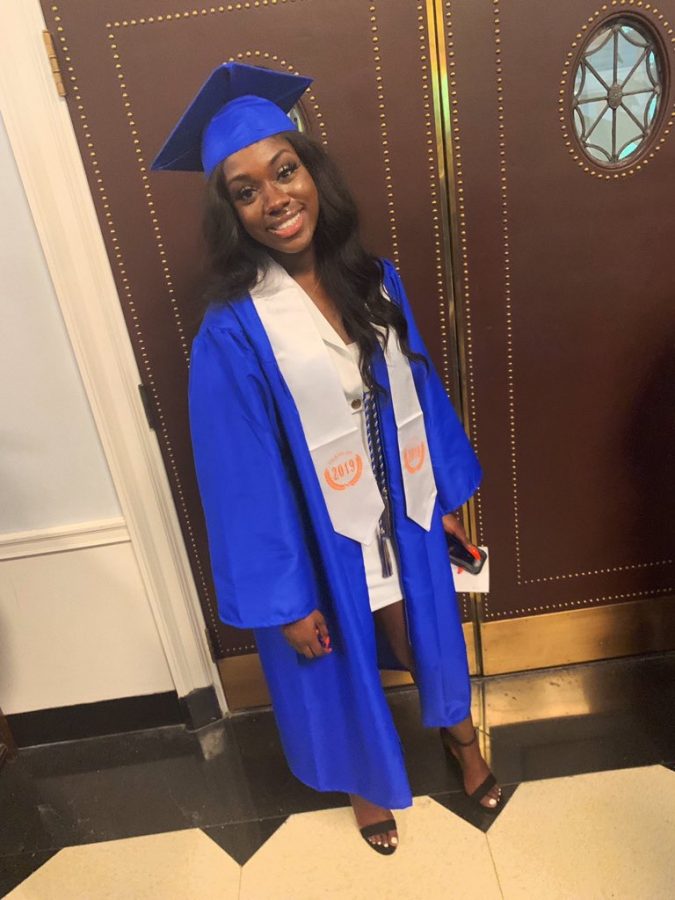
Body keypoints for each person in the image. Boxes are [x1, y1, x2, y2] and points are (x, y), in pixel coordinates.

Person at [152, 62, 502, 855]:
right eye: (246, 190)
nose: (275, 199)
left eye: (284, 171)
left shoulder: (376, 281)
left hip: (401, 511)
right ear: (231, 213)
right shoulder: (233, 330)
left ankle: (460, 742)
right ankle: (365, 785)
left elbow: (418, 385)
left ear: (311, 172)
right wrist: (285, 599)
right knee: (334, 656)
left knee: (427, 635)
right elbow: (238, 479)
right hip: (318, 537)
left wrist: (441, 492)